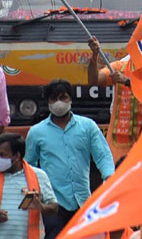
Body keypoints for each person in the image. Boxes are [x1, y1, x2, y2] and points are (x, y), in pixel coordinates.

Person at [25, 81, 114, 239]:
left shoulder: (88, 127)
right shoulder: (36, 132)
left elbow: (103, 155)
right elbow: (28, 166)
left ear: (70, 99)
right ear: (48, 102)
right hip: (53, 203)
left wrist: (110, 178)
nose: (59, 102)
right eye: (53, 99)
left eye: (63, 97)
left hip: (83, 202)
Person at [0, 132, 58, 239]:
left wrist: (42, 207)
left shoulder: (39, 175)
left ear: (17, 156)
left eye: (2, 155)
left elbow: (54, 207)